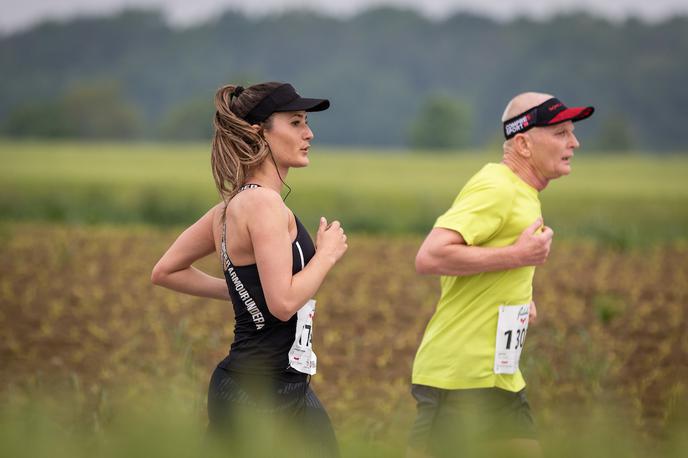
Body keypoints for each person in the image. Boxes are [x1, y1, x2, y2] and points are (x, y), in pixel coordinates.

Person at [151, 82, 347, 457]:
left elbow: (166, 270)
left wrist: (242, 292)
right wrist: (326, 255)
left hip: (282, 385)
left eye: (306, 122)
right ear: (259, 131)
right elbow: (283, 303)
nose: (309, 133)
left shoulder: (229, 207)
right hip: (259, 392)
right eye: (295, 122)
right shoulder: (263, 205)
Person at [407, 92, 594, 457]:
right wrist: (518, 255)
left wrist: (520, 298)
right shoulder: (497, 187)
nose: (574, 142)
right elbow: (429, 256)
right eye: (560, 133)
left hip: (498, 375)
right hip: (459, 375)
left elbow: (487, 258)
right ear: (523, 143)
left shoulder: (523, 192)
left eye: (572, 132)